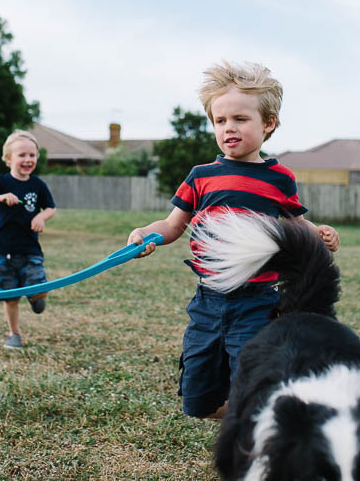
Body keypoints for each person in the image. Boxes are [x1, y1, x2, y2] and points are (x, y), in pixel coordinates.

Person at [127, 61, 340, 419]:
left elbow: (296, 225)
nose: (229, 128)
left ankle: (260, 426)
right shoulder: (201, 177)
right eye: (220, 121)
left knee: (252, 383)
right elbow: (173, 224)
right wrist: (147, 234)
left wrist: (319, 234)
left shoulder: (279, 179)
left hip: (257, 303)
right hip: (208, 303)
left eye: (240, 119)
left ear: (268, 123)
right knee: (196, 404)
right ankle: (254, 415)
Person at [0, 129, 57, 350]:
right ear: (8, 159)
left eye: (32, 155)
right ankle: (14, 334)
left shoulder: (37, 185)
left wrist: (41, 216)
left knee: (39, 287)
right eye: (22, 155)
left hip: (30, 249)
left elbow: (51, 208)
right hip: (1, 250)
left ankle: (36, 297)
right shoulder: (0, 182)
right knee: (10, 297)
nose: (28, 159)